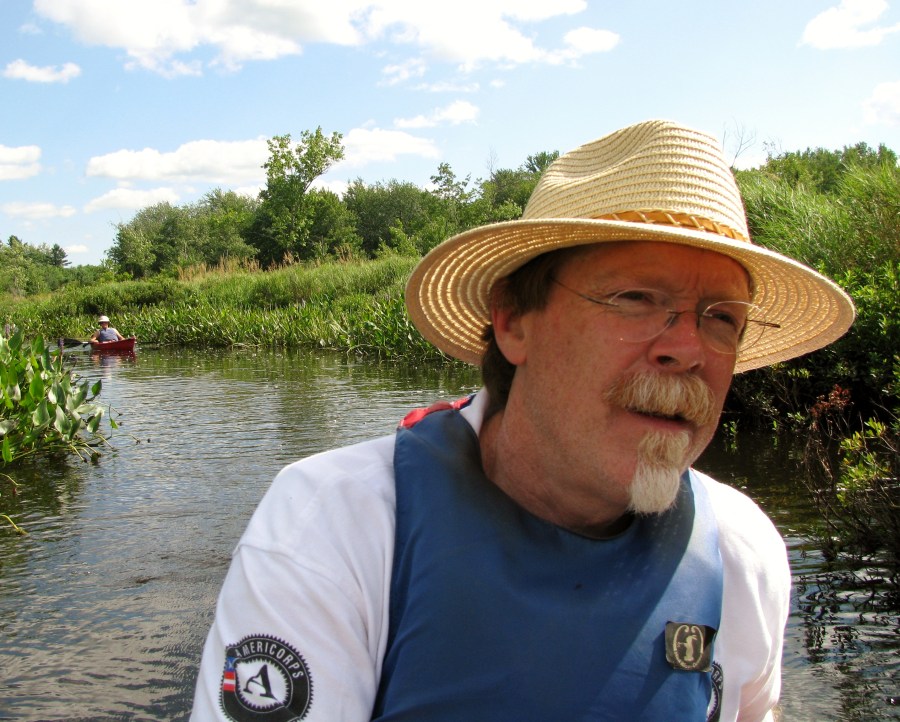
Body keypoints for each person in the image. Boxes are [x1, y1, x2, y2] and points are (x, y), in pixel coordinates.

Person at [192, 119, 855, 722]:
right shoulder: (335, 528)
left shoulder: (743, 553)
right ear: (514, 323)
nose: (686, 347)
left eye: (721, 318)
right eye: (635, 298)